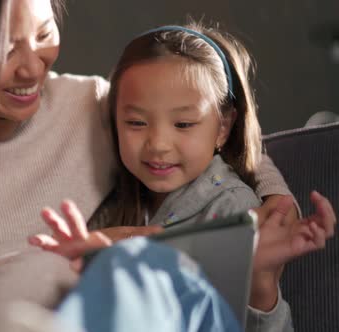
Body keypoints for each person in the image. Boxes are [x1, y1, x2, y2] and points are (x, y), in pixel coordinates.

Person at [0, 1, 331, 331]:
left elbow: (201, 121)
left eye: (45, 32)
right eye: (4, 48)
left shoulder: (92, 103)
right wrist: (97, 248)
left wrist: (273, 195)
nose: (32, 67)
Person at [29, 23, 337, 331]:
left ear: (223, 127)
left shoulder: (235, 211)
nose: (158, 144)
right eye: (136, 123)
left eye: (184, 124)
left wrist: (261, 285)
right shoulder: (111, 200)